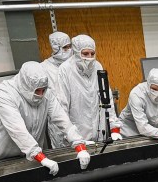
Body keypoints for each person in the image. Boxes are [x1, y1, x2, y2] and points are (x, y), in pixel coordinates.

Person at [49, 33, 121, 166]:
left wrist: (114, 128)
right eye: (85, 54)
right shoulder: (65, 71)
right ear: (76, 52)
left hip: (99, 137)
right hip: (76, 140)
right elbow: (62, 108)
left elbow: (108, 99)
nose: (89, 58)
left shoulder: (98, 67)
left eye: (92, 54)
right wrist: (76, 141)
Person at [0, 60, 62, 176]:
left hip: (32, 156)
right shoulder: (4, 93)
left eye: (43, 90)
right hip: (4, 157)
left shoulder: (45, 92)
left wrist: (77, 141)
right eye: (37, 91)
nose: (41, 94)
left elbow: (60, 116)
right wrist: (40, 156)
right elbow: (17, 129)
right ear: (26, 84)